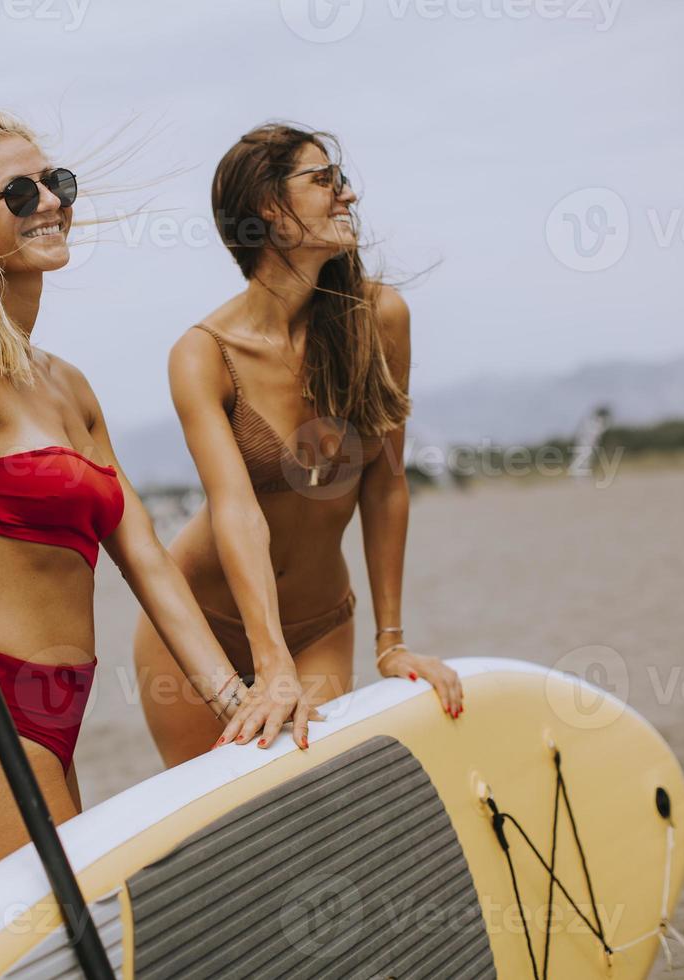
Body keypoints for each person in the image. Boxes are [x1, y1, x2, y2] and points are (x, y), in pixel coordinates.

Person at [0, 106, 317, 894]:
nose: (51, 201)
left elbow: (148, 563)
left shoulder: (71, 385)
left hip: (55, 733)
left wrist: (238, 701)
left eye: (56, 182)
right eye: (20, 193)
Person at [133, 123, 466, 768]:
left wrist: (390, 642)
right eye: (324, 180)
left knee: (310, 797)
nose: (347, 195)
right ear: (268, 208)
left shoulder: (378, 320)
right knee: (215, 827)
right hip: (197, 629)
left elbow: (386, 481)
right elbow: (235, 507)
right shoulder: (205, 354)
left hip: (318, 622)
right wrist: (268, 663)